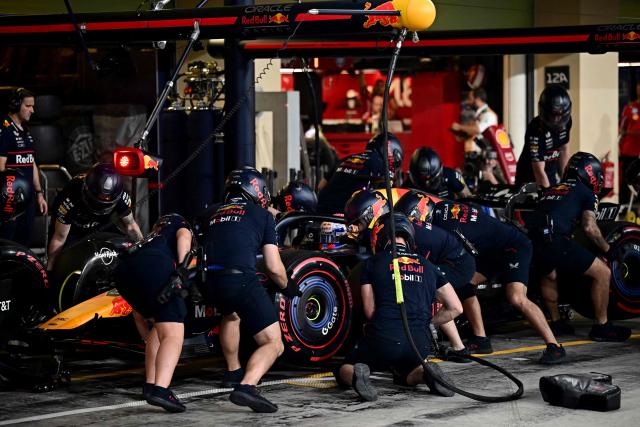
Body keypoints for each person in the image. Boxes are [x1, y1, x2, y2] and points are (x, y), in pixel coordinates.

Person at [335, 212, 463, 401]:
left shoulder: (371, 263)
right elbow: (456, 308)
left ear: (379, 236)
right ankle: (425, 373)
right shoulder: (428, 265)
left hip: (384, 336)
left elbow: (370, 311)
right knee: (406, 374)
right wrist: (429, 323)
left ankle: (356, 373)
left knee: (343, 368)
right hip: (418, 342)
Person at [203, 166, 298, 413]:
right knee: (274, 343)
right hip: (240, 280)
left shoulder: (210, 212)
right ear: (256, 188)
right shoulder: (262, 215)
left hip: (211, 281)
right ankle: (247, 386)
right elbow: (273, 266)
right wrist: (288, 287)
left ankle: (234, 371)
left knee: (231, 315)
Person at [427, 198, 566, 364]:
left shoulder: (445, 227)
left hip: (513, 246)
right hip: (491, 250)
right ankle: (481, 340)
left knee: (517, 298)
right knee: (464, 283)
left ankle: (554, 346)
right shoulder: (443, 208)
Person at [527, 152, 632, 341]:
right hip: (555, 239)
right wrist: (609, 250)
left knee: (549, 275)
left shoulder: (553, 188)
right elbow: (590, 228)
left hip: (532, 238)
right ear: (592, 174)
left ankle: (557, 323)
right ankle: (602, 327)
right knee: (603, 273)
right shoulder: (586, 192)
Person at [114, 214, 195, 413]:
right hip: (155, 267)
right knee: (173, 334)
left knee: (159, 329)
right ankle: (161, 389)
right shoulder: (181, 223)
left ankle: (150, 385)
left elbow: (138, 315)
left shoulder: (150, 238)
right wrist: (183, 271)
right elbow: (184, 237)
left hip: (123, 272)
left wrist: (144, 338)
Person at [395, 190, 476, 361]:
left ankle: (434, 337)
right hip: (453, 262)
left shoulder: (419, 236)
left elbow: (419, 270)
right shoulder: (418, 229)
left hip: (458, 266)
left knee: (427, 290)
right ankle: (458, 347)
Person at [47, 162, 143, 271]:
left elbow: (131, 225)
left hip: (101, 225)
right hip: (72, 230)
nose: (100, 206)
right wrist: (50, 271)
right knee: (63, 263)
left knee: (127, 246)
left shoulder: (122, 197)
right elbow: (59, 238)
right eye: (97, 201)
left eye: (106, 202)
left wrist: (144, 251)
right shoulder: (70, 197)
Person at [0, 87, 48, 245]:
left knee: (24, 241)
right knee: (7, 242)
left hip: (28, 198)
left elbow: (31, 162)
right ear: (15, 105)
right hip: (10, 201)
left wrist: (39, 193)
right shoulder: (5, 130)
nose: (32, 110)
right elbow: (1, 168)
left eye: (33, 106)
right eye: (28, 106)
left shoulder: (26, 131)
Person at [317, 132, 403, 215]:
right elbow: (387, 201)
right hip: (345, 220)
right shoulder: (382, 167)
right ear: (394, 154)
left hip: (319, 212)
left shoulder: (346, 159)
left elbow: (321, 186)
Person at [516, 84, 572, 188]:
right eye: (552, 115)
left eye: (559, 115)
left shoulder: (567, 123)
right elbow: (539, 171)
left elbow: (564, 150)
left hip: (550, 174)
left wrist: (566, 184)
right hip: (529, 180)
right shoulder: (535, 129)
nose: (556, 120)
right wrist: (548, 197)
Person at [404, 147, 470, 199]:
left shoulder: (451, 175)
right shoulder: (406, 188)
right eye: (422, 182)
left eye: (431, 181)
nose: (427, 185)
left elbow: (469, 198)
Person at [618, 82, 640, 204]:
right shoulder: (630, 108)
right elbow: (622, 130)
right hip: (630, 151)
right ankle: (624, 205)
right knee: (627, 180)